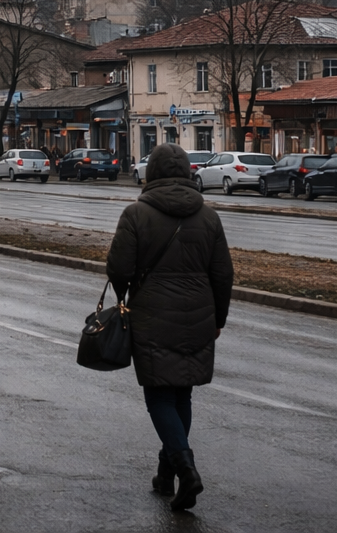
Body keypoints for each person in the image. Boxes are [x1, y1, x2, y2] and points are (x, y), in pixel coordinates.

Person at [106, 142, 233, 513]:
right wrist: (218, 320)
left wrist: (125, 297)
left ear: (152, 173)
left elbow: (119, 268)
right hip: (199, 314)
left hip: (151, 313)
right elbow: (223, 274)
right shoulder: (208, 216)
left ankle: (185, 468)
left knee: (160, 395)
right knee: (181, 395)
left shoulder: (136, 213)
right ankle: (166, 475)